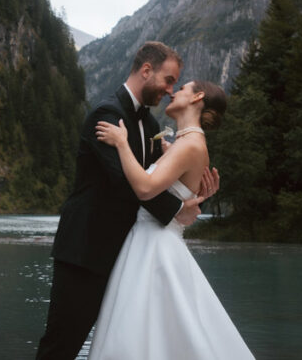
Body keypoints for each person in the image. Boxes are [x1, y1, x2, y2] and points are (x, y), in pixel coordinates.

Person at [35, 42, 219, 360]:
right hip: (86, 251)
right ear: (146, 70)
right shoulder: (107, 113)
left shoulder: (149, 125)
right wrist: (177, 210)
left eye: (176, 84)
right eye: (168, 79)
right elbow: (123, 182)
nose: (170, 90)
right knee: (62, 344)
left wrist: (195, 197)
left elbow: (164, 177)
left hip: (129, 255)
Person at [89, 79, 254, 359]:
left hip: (154, 244)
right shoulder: (186, 143)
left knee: (143, 330)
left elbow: (144, 188)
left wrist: (121, 143)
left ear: (197, 97)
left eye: (182, 88)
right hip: (152, 238)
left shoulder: (190, 144)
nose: (173, 92)